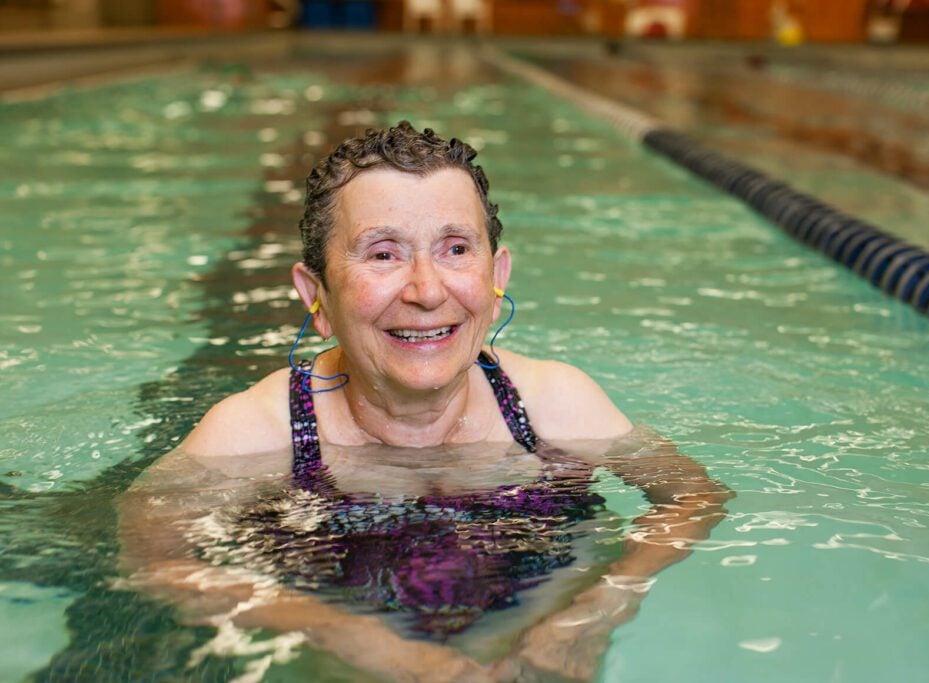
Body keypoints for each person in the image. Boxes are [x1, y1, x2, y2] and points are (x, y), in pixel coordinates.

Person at [119, 122, 730, 681]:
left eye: (456, 249)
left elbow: (694, 497)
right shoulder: (257, 432)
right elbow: (153, 557)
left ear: (498, 279)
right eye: (383, 254)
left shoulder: (554, 404)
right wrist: (341, 633)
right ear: (317, 295)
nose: (426, 290)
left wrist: (598, 609)